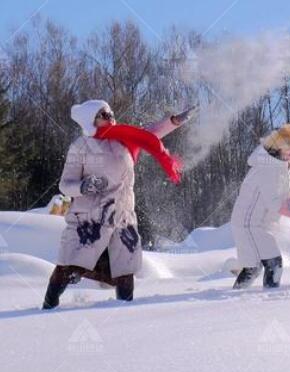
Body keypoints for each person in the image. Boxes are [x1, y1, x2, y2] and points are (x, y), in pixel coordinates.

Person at [42, 100, 196, 309]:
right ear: (91, 121)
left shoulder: (124, 140)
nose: (110, 117)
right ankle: (48, 306)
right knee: (70, 268)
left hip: (123, 217)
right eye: (103, 115)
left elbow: (149, 135)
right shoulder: (81, 146)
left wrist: (174, 121)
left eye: (110, 113)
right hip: (91, 220)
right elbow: (65, 185)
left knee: (124, 270)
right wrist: (84, 186)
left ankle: (124, 317)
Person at [231, 124, 290, 289]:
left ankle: (239, 297)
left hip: (255, 225)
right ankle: (268, 300)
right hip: (248, 225)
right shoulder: (267, 169)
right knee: (272, 263)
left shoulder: (280, 168)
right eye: (286, 148)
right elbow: (274, 201)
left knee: (253, 267)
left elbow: (287, 195)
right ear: (275, 149)